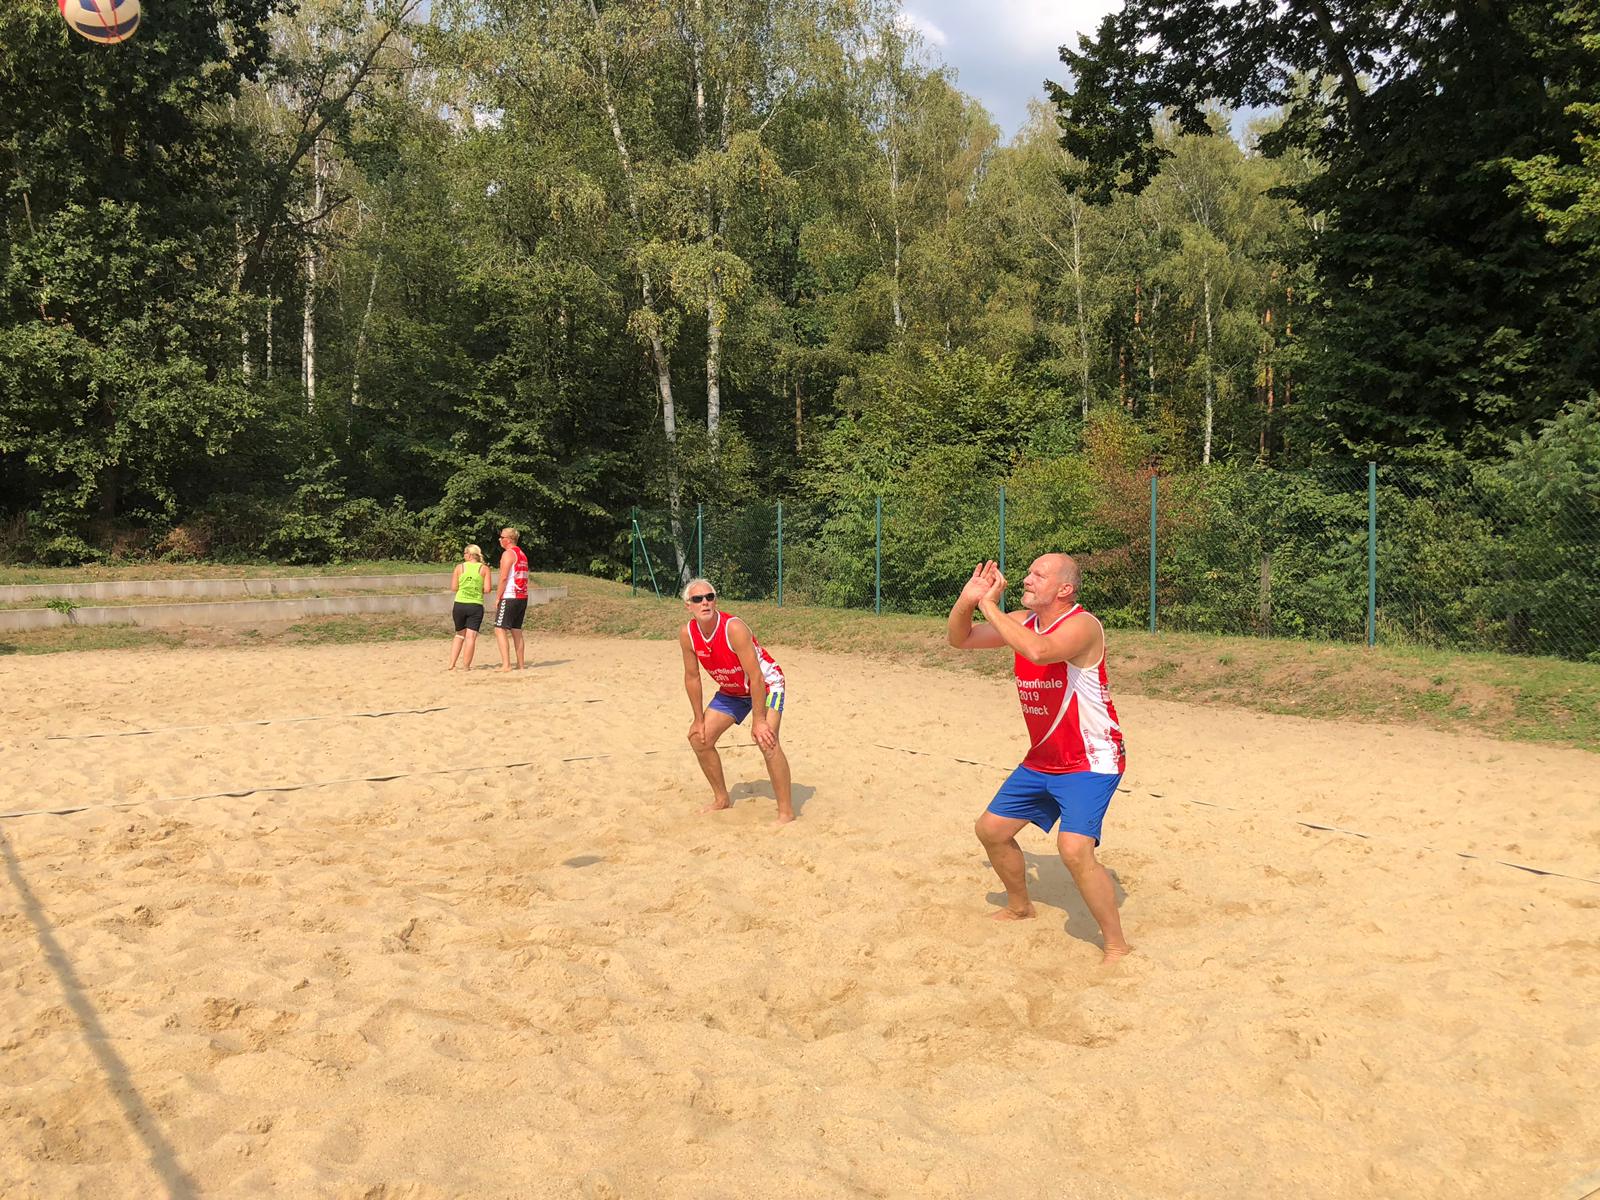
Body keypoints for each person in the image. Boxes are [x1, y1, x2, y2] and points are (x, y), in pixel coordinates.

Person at [947, 556, 1131, 963]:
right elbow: (960, 639)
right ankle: (1020, 907)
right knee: (991, 830)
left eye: (1038, 575)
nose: (1026, 580)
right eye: (1029, 573)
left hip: (1091, 758)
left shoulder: (1083, 625)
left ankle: (1117, 945)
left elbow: (1039, 651)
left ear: (1064, 589)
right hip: (1044, 757)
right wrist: (968, 600)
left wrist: (988, 606)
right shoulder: (1022, 621)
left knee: (1074, 849)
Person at [678, 578, 796, 824]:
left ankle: (786, 813)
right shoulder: (688, 634)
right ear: (688, 605)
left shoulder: (733, 628)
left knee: (767, 740)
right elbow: (692, 677)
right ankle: (722, 799)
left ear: (715, 600)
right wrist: (698, 719)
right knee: (699, 739)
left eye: (710, 597)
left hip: (767, 685)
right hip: (733, 690)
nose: (705, 602)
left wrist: (759, 720)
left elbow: (756, 676)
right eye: (698, 599)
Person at [491, 527, 530, 672]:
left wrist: (498, 597)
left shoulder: (508, 554)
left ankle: (506, 665)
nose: (500, 540)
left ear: (509, 539)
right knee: (516, 630)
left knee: (499, 629)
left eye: (502, 537)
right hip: (522, 596)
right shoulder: (522, 554)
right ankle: (521, 664)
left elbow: (503, 578)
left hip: (510, 595)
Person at [447, 544, 491, 671]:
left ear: (470, 555)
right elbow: (487, 589)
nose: (464, 555)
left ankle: (452, 664)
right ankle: (466, 666)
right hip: (475, 604)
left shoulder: (459, 567)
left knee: (459, 635)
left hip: (460, 604)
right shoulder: (484, 569)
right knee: (471, 637)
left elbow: (454, 588)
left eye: (465, 553)